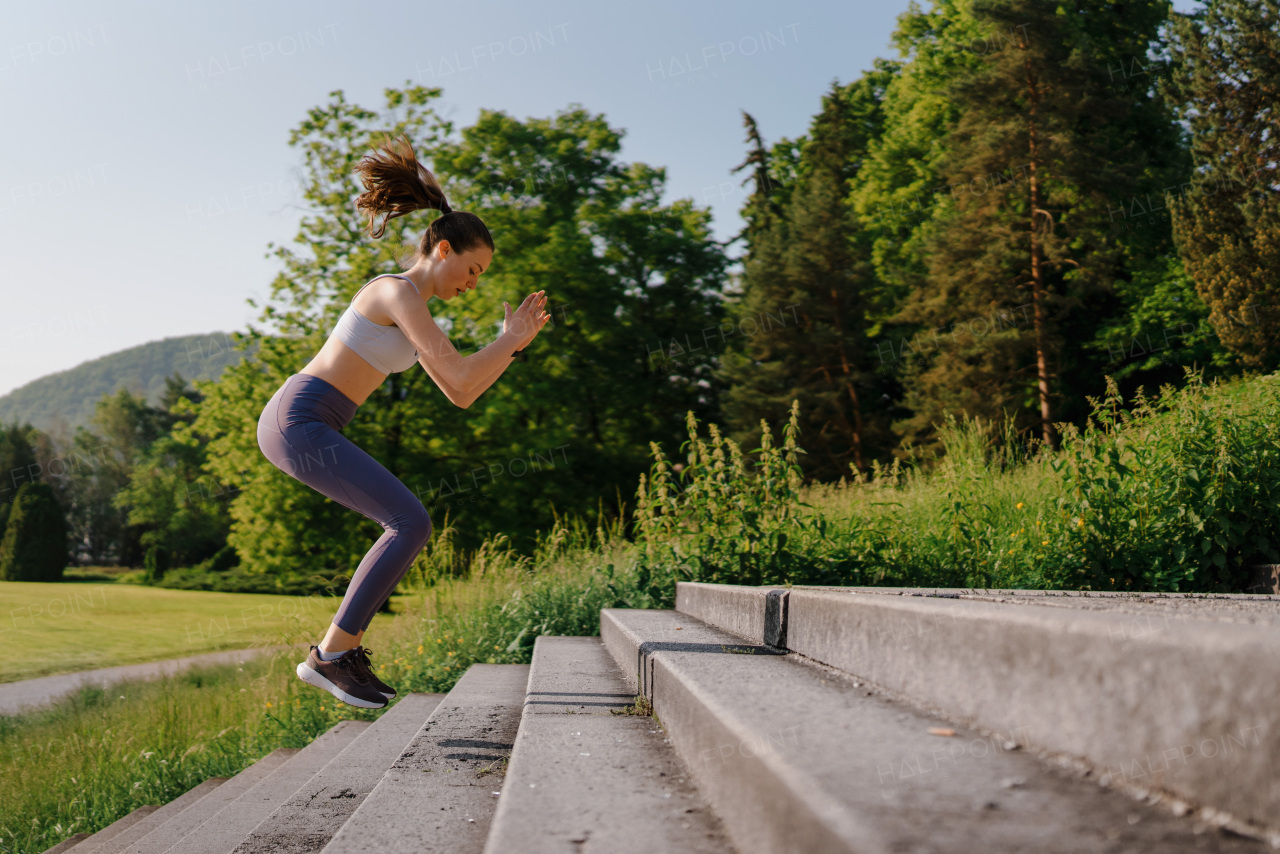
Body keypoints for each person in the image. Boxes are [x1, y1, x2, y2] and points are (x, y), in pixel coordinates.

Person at [255, 134, 550, 709]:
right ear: (442, 248)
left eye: (481, 276)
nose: (473, 282)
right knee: (408, 521)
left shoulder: (414, 313)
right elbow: (465, 377)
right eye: (472, 268)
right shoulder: (395, 292)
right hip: (299, 417)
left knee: (408, 521)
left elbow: (460, 395)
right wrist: (509, 339)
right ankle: (331, 656)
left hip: (317, 422)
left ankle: (337, 654)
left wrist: (510, 347)